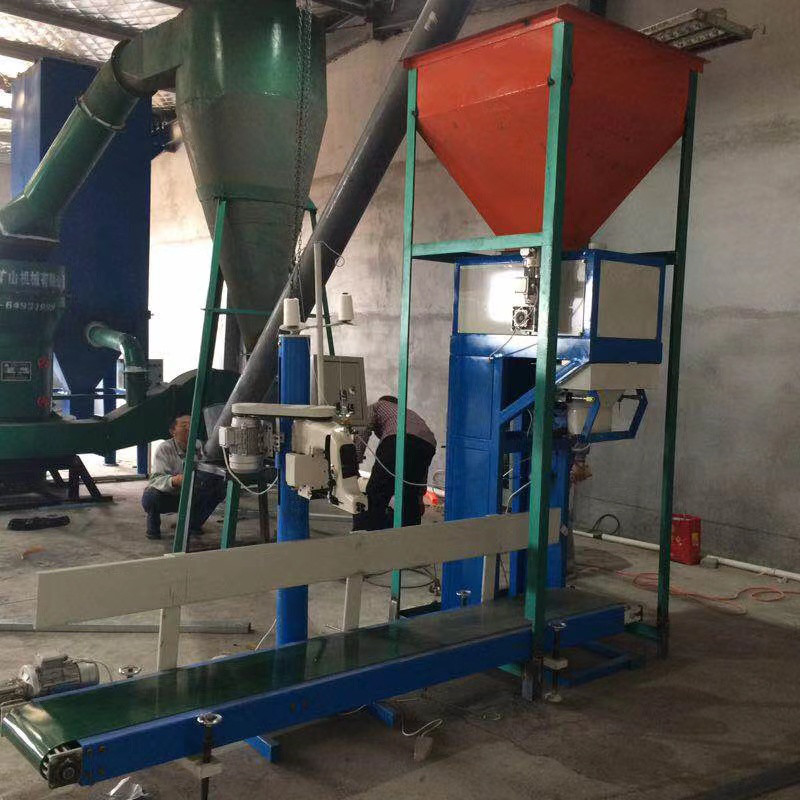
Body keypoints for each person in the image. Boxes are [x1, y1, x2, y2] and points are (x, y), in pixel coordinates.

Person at [353, 396, 436, 531]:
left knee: (376, 491)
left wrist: (354, 462)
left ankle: (367, 534)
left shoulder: (378, 406)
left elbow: (363, 429)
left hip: (398, 439)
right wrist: (420, 497)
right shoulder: (410, 414)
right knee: (409, 494)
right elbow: (423, 471)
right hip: (428, 444)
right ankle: (410, 533)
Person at [141, 414, 226, 540]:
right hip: (170, 495)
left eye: (191, 425)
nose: (189, 428)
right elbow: (155, 479)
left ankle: (193, 525)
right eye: (184, 425)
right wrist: (174, 480)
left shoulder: (200, 446)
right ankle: (153, 528)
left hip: (192, 494)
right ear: (172, 431)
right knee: (151, 496)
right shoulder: (165, 448)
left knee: (219, 489)